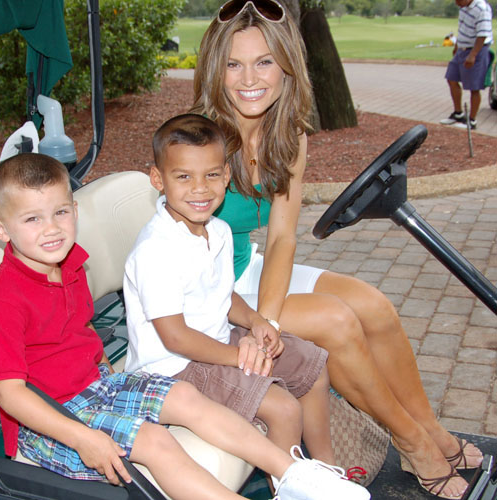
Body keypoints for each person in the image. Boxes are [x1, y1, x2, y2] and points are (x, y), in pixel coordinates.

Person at [190, 0, 484, 498]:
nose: (248, 79)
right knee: (336, 320)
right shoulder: (199, 138)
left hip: (246, 268)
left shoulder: (288, 135)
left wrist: (272, 320)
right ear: (215, 70)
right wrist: (260, 320)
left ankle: (431, 429)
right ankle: (412, 444)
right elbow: (185, 263)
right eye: (233, 64)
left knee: (373, 305)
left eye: (264, 62)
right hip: (203, 290)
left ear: (287, 66)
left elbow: (282, 236)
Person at [0, 152, 369, 500]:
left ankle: (297, 475)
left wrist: (107, 370)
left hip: (97, 387)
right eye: (32, 219)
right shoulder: (2, 302)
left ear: (75, 212)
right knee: (157, 442)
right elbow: (10, 395)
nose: (52, 229)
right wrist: (82, 437)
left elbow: (77, 331)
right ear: (2, 231)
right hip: (53, 419)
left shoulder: (69, 264)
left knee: (185, 397)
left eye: (60, 213)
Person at [123, 114, 366, 497]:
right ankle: (289, 489)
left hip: (216, 340)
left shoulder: (216, 230)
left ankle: (326, 474)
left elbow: (223, 295)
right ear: (158, 179)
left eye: (213, 175)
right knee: (284, 409)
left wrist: (256, 323)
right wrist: (237, 355)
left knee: (314, 364)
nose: (200, 189)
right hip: (172, 368)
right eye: (183, 177)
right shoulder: (156, 250)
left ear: (226, 176)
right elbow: (175, 337)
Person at [439, 0, 493, 130]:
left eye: (458, 0)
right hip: (462, 49)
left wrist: (473, 55)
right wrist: (457, 46)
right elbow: (462, 29)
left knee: (474, 87)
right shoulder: (463, 8)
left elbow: (482, 35)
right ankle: (458, 113)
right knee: (451, 79)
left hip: (477, 50)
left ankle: (472, 121)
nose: (456, 3)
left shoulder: (482, 9)